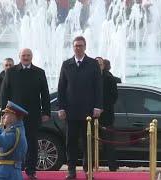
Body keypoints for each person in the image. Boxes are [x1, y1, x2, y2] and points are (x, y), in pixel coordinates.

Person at [0, 48, 51, 179]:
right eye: (24, 55)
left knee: (32, 143)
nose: (26, 57)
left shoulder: (39, 72)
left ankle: (31, 170)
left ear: (32, 57)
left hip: (33, 115)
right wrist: (3, 112)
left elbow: (45, 94)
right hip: (14, 115)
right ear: (19, 57)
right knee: (14, 142)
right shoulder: (11, 72)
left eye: (28, 55)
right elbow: (4, 92)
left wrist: (46, 112)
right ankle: (15, 169)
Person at [57, 36, 103, 179]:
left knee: (87, 142)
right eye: (76, 46)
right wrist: (61, 107)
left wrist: (98, 106)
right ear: (73, 47)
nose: (78, 48)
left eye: (81, 45)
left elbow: (98, 87)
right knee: (70, 142)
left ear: (85, 47)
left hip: (88, 111)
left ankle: (88, 170)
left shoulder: (92, 64)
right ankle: (71, 170)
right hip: (70, 112)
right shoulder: (66, 64)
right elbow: (61, 88)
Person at [96, 57, 119, 171]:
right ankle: (91, 166)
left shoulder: (109, 78)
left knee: (108, 143)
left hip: (106, 117)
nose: (97, 66)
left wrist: (102, 108)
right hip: (91, 117)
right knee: (90, 143)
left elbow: (114, 97)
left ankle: (112, 167)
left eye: (99, 64)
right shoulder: (90, 77)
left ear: (103, 65)